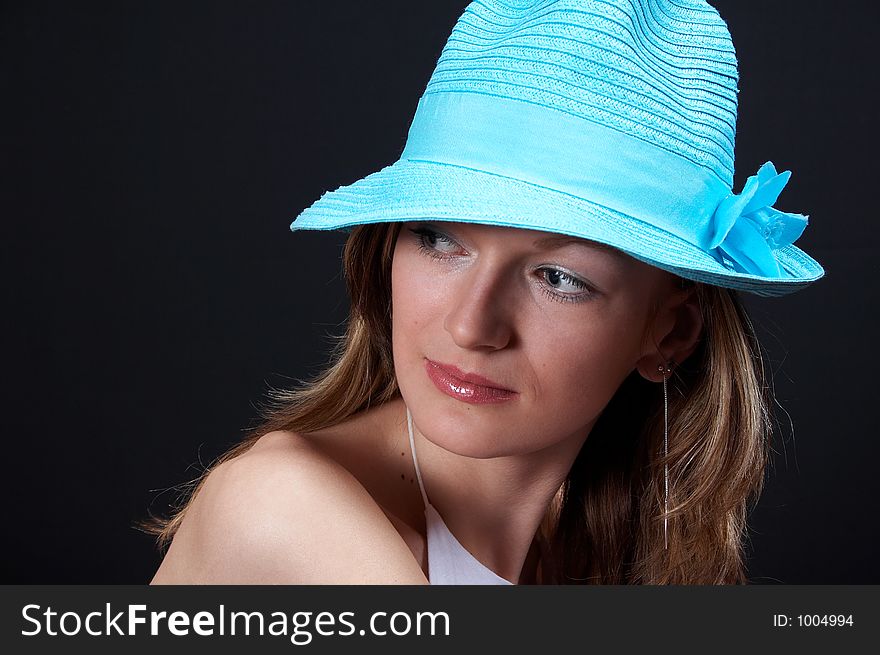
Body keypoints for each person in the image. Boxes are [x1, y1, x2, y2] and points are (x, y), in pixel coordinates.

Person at [145, 0, 824, 584]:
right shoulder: (280, 507)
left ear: (669, 332)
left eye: (558, 278)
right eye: (440, 240)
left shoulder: (579, 550)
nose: (473, 325)